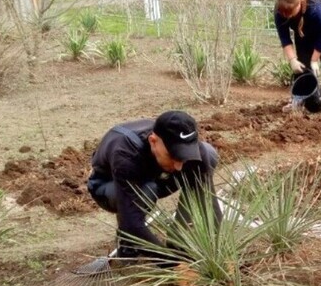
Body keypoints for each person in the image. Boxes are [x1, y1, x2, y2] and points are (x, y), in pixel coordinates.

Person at [86, 110, 222, 261]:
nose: (178, 166)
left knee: (207, 155)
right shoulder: (126, 152)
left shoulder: (186, 142)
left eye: (182, 156)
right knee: (146, 191)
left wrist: (218, 247)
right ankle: (128, 245)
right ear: (153, 141)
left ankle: (179, 242)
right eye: (174, 156)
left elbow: (208, 199)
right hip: (108, 188)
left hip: (155, 178)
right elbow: (131, 222)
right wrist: (171, 262)